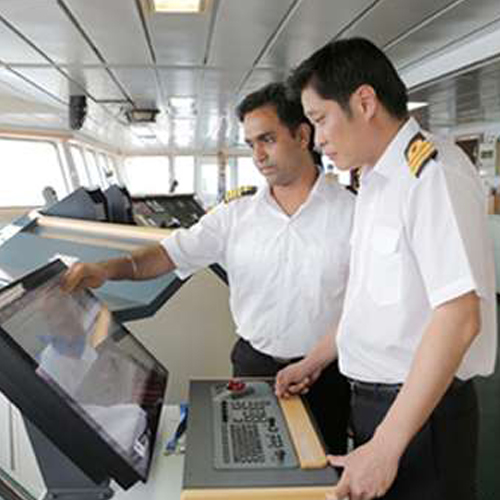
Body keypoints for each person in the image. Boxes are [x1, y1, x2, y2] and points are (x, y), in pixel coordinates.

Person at [62, 82, 355, 454]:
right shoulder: (235, 215)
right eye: (251, 144)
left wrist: (316, 362)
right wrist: (106, 270)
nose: (258, 155)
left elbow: (365, 303)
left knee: (325, 472)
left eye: (267, 139)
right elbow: (166, 255)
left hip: (327, 373)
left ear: (301, 135)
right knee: (252, 468)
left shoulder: (353, 213)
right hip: (255, 368)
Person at [275, 37, 497, 500]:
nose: (318, 139)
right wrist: (315, 359)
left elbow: (459, 318)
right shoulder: (376, 181)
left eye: (320, 119)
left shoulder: (431, 174)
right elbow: (371, 301)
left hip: (422, 418)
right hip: (383, 409)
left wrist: (385, 446)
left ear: (364, 102)